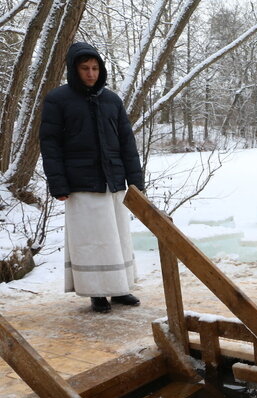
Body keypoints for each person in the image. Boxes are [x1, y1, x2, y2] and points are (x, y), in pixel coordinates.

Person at [40, 42, 144, 313]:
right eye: (85, 68)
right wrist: (58, 182)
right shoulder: (57, 100)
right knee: (92, 240)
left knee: (118, 237)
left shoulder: (112, 100)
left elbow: (127, 144)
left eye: (95, 68)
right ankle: (96, 292)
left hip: (113, 182)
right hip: (80, 184)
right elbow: (50, 145)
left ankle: (120, 288)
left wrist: (135, 183)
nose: (90, 73)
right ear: (74, 69)